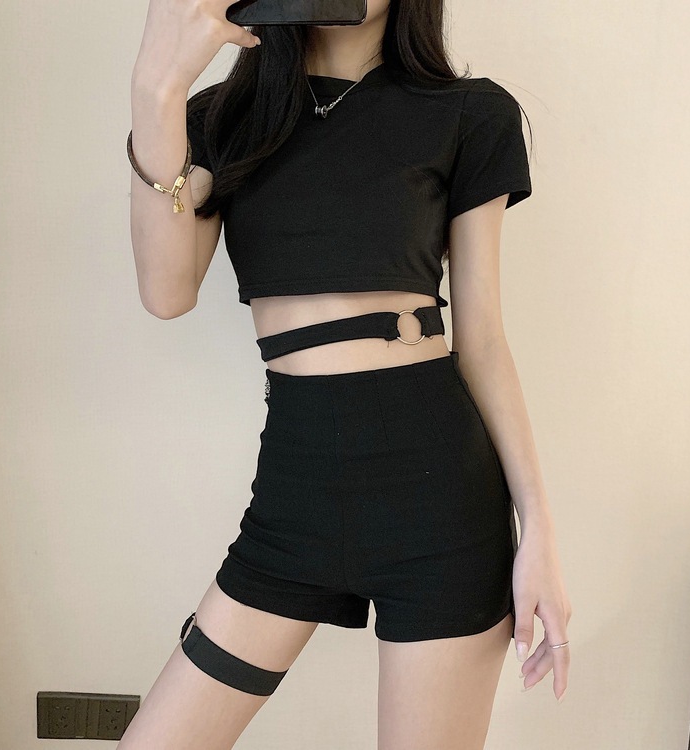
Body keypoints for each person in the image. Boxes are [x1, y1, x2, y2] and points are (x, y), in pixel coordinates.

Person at [122, 0, 572, 747]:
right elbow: (166, 293)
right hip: (293, 496)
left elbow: (485, 341)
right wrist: (156, 85)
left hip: (441, 503)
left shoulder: (468, 113)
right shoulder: (221, 119)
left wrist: (540, 535)